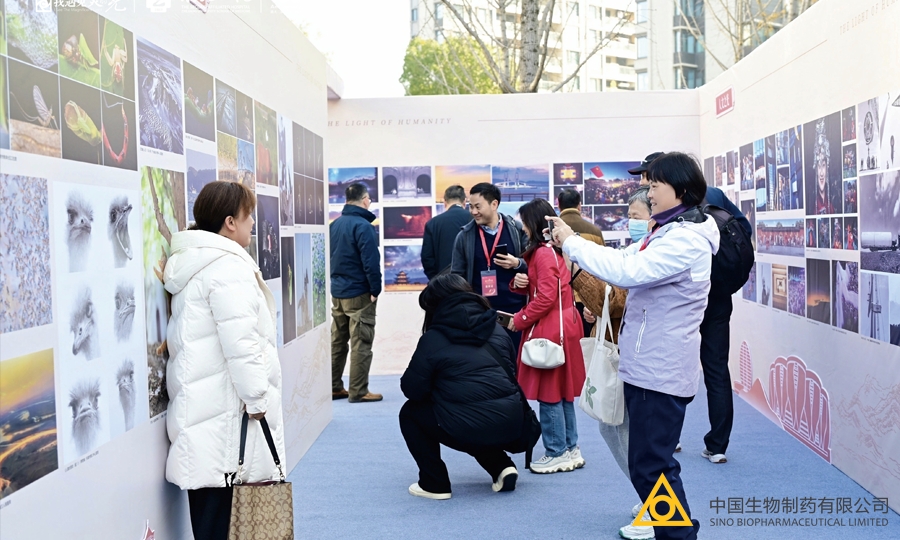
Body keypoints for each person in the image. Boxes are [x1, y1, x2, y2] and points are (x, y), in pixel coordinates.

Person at [550, 152, 718, 540]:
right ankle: (675, 531)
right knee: (649, 463)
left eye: (656, 184)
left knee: (652, 465)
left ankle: (678, 534)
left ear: (681, 188)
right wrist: (574, 247)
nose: (649, 191)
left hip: (661, 368)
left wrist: (573, 243)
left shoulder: (686, 240)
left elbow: (627, 272)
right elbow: (621, 259)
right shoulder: (667, 231)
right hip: (649, 364)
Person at [163, 181, 286, 540]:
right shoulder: (228, 269)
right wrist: (258, 399)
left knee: (211, 522)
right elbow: (242, 344)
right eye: (249, 217)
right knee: (224, 521)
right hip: (225, 422)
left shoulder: (198, 263)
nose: (253, 225)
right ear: (230, 222)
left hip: (207, 417)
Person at [399, 274, 524, 499]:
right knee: (470, 411)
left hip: (469, 424)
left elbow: (412, 390)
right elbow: (510, 374)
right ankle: (502, 467)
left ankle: (434, 483)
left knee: (411, 413)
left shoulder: (433, 338)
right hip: (513, 422)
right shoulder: (497, 330)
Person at [507, 198, 585, 474]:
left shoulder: (541, 253)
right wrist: (522, 284)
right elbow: (548, 289)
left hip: (550, 327)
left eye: (525, 222)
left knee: (549, 392)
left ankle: (556, 451)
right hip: (565, 324)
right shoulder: (556, 250)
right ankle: (570, 447)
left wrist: (520, 319)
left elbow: (547, 297)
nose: (523, 228)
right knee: (562, 392)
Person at [697, 185, 752, 465]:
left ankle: (669, 437)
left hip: (685, 297)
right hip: (719, 294)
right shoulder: (713, 194)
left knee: (673, 366)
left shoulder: (671, 203)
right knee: (717, 368)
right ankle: (718, 445)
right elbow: (744, 229)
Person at [451, 183, 528, 351]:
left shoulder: (517, 230)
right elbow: (457, 276)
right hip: (481, 313)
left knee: (516, 362)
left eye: (478, 206)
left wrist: (518, 263)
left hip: (515, 312)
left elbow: (534, 266)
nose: (473, 212)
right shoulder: (464, 236)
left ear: (494, 204)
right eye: (471, 207)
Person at [330, 183, 383, 403]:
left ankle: (333, 387)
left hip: (338, 292)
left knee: (338, 341)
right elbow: (370, 262)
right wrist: (375, 289)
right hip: (359, 292)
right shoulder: (363, 226)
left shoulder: (335, 225)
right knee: (361, 342)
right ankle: (358, 391)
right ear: (364, 199)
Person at [557, 187, 605, 337]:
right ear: (579, 206)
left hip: (560, 297)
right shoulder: (594, 231)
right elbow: (602, 265)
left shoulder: (552, 230)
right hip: (587, 298)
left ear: (559, 206)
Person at [421, 185, 472, 279]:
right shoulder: (474, 220)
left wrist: (435, 279)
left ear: (445, 202)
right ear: (465, 201)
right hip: (470, 282)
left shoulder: (432, 223)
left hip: (443, 283)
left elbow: (427, 258)